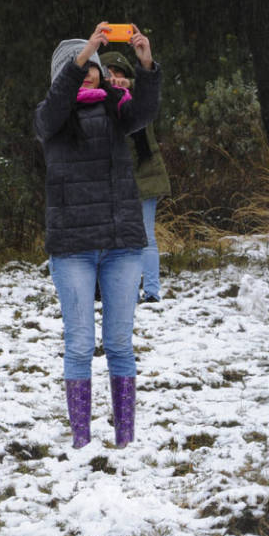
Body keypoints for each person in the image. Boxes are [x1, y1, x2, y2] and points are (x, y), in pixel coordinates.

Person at [34, 23, 160, 449]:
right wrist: (83, 53)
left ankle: (125, 443)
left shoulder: (116, 110)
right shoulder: (50, 119)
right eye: (80, 66)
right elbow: (53, 107)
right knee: (81, 344)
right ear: (64, 73)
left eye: (94, 66)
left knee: (120, 344)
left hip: (122, 245)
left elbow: (143, 112)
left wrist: (145, 65)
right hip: (73, 250)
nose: (89, 71)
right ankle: (82, 444)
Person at [101, 51, 172, 303]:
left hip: (145, 173)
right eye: (109, 72)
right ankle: (127, 291)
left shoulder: (139, 99)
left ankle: (151, 291)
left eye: (119, 72)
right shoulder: (100, 102)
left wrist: (127, 83)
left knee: (146, 236)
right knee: (119, 240)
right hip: (118, 177)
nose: (115, 78)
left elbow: (145, 91)